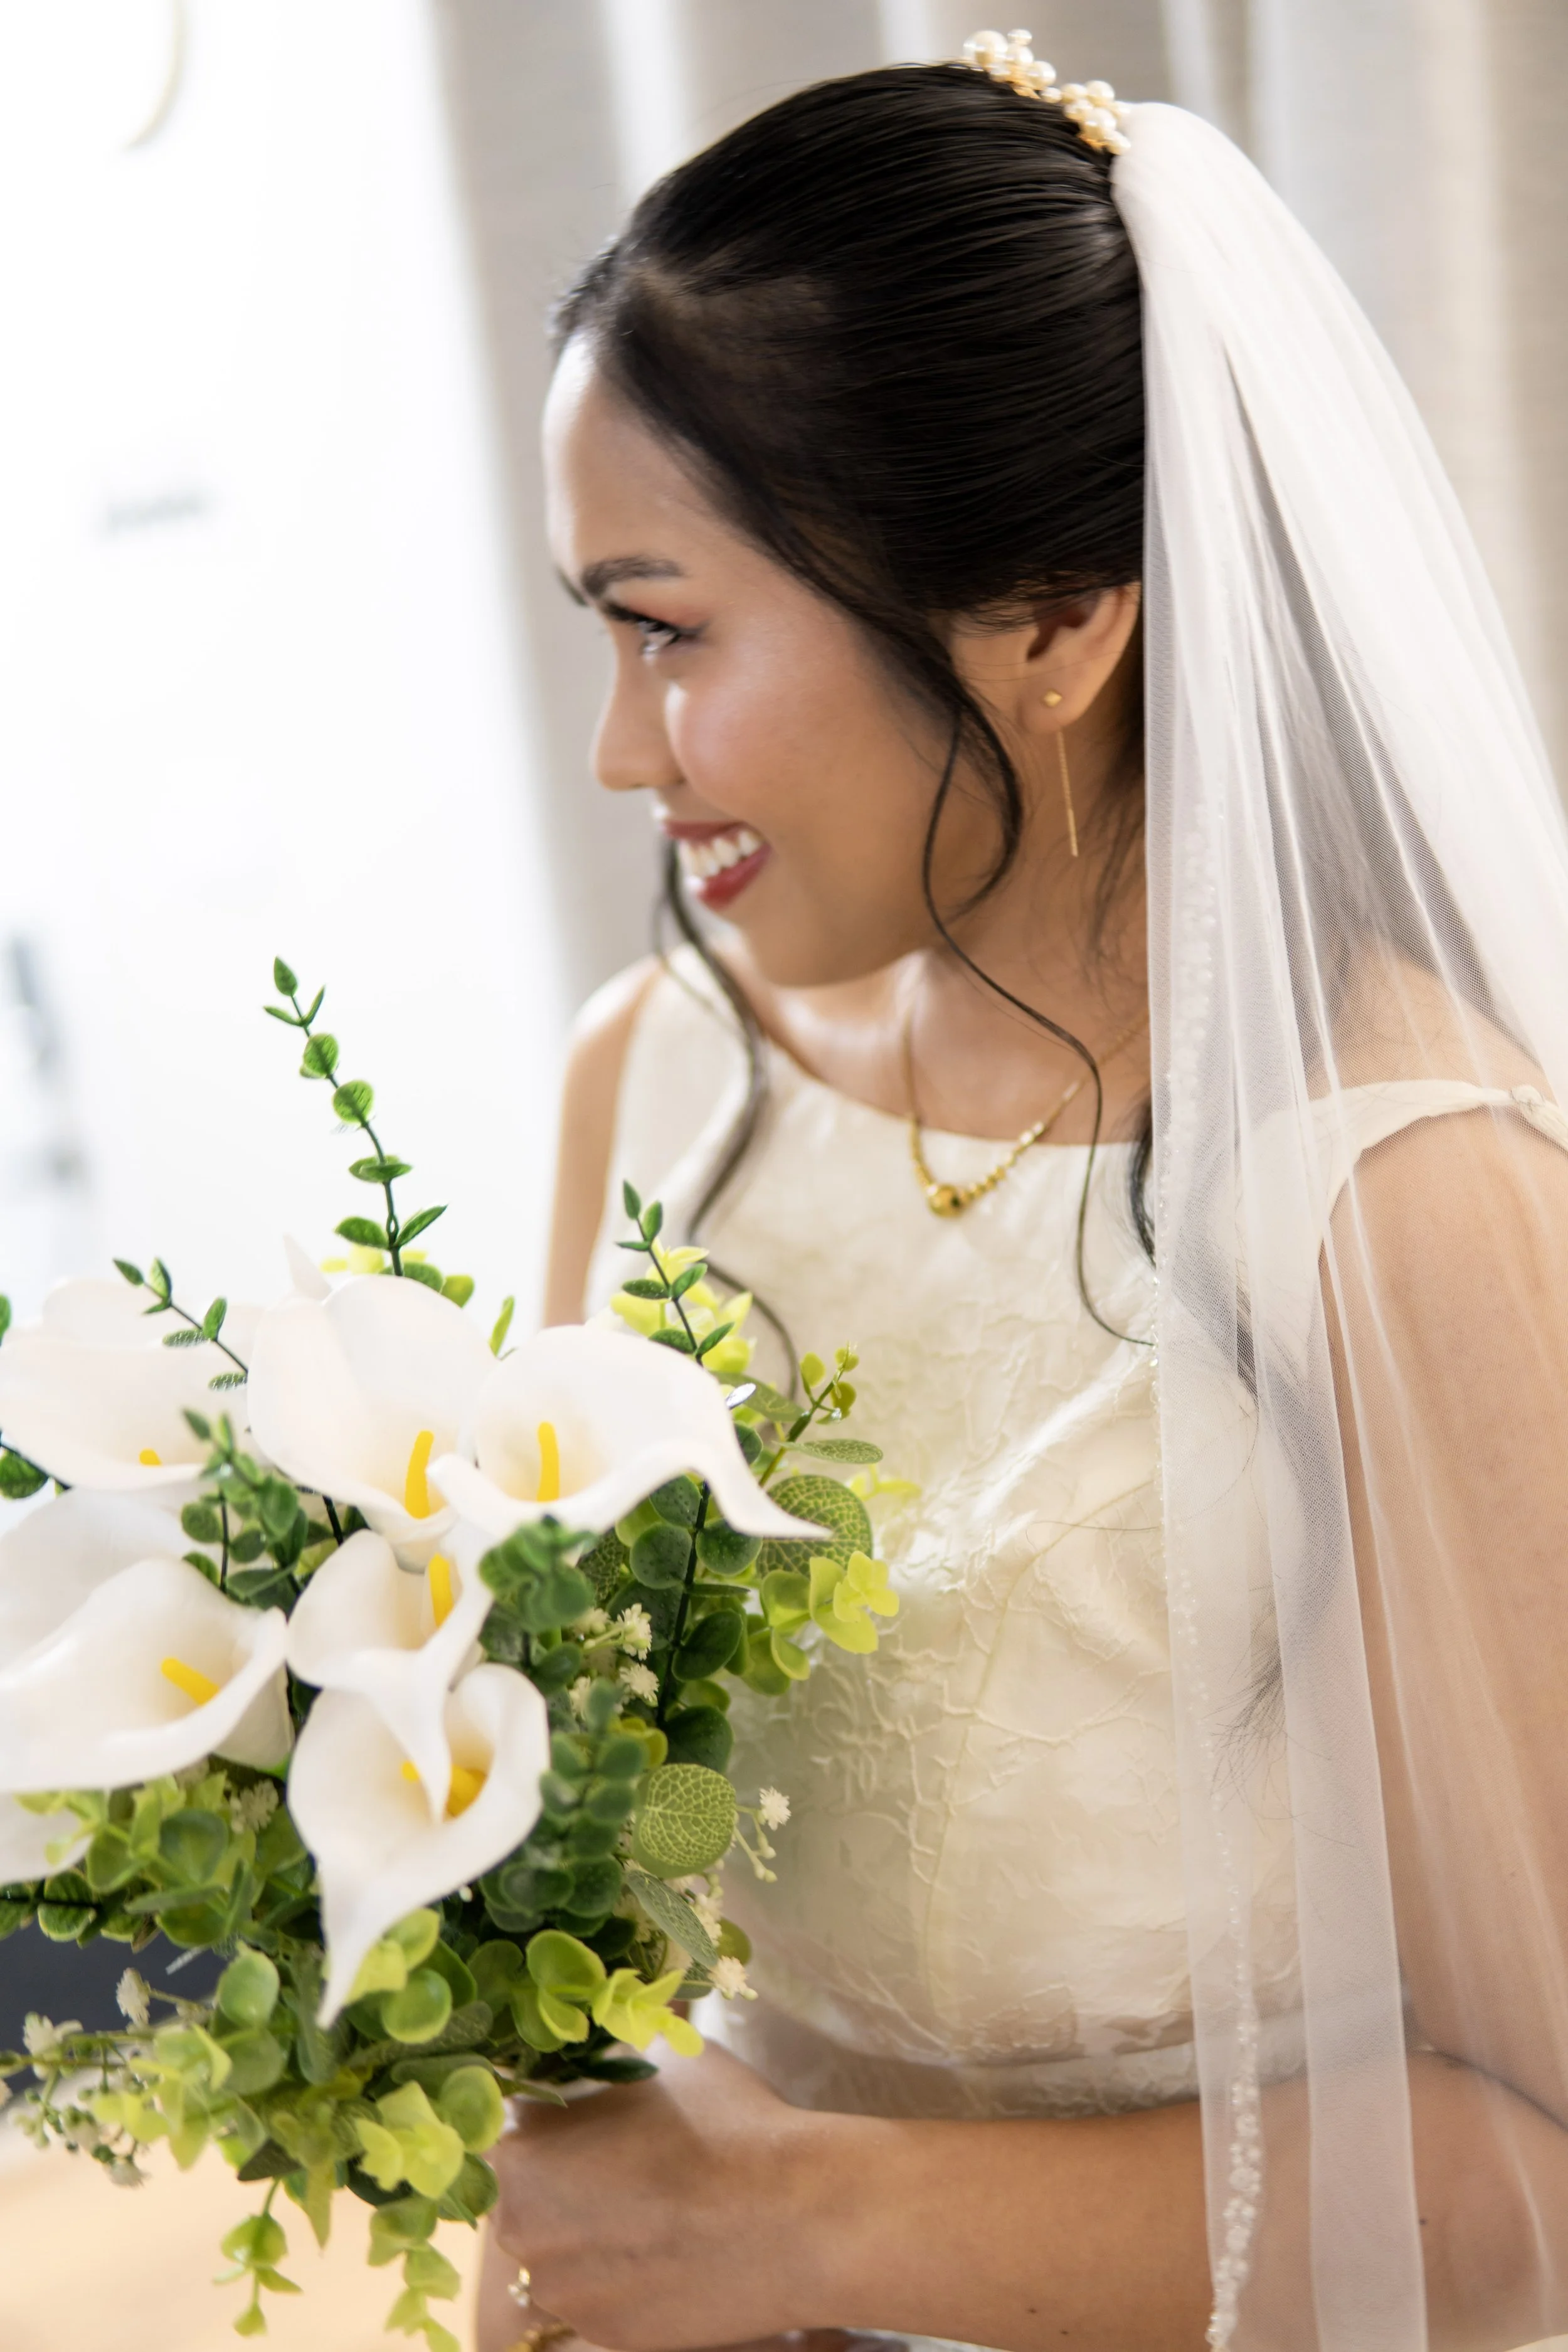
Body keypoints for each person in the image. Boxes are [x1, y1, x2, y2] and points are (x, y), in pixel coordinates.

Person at [478, 39, 1568, 2352]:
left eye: (669, 627)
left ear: (1059, 622)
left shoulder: (1410, 1210)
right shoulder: (656, 1083)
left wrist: (803, 2228)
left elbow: (1540, 2174)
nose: (617, 747)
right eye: (599, 625)